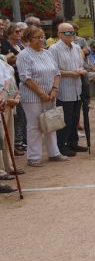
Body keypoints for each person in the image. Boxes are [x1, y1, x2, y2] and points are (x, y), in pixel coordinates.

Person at [17, 26, 68, 167]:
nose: (41, 39)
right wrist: (41, 93)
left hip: (50, 95)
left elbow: (57, 73)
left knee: (51, 123)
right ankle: (33, 157)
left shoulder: (47, 53)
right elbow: (25, 78)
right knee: (34, 126)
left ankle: (54, 153)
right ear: (28, 39)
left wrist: (54, 89)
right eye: (37, 37)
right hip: (32, 97)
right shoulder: (24, 55)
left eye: (42, 36)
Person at [49, 22, 88, 156]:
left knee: (75, 117)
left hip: (77, 88)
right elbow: (54, 70)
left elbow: (82, 65)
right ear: (59, 34)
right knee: (65, 118)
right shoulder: (54, 49)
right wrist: (73, 73)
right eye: (67, 32)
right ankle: (62, 144)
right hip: (64, 89)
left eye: (73, 32)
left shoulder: (77, 47)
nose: (71, 34)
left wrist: (80, 70)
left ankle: (73, 142)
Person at [1, 22, 27, 154]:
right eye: (16, 31)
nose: (19, 33)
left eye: (19, 31)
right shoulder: (6, 45)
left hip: (14, 84)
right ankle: (17, 142)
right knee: (16, 114)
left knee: (19, 114)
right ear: (9, 33)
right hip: (8, 87)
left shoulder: (20, 45)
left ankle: (17, 142)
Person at [1, 52, 22, 187]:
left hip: (6, 100)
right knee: (0, 136)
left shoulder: (2, 59)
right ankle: (1, 169)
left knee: (8, 134)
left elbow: (8, 79)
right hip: (3, 100)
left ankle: (9, 165)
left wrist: (13, 97)